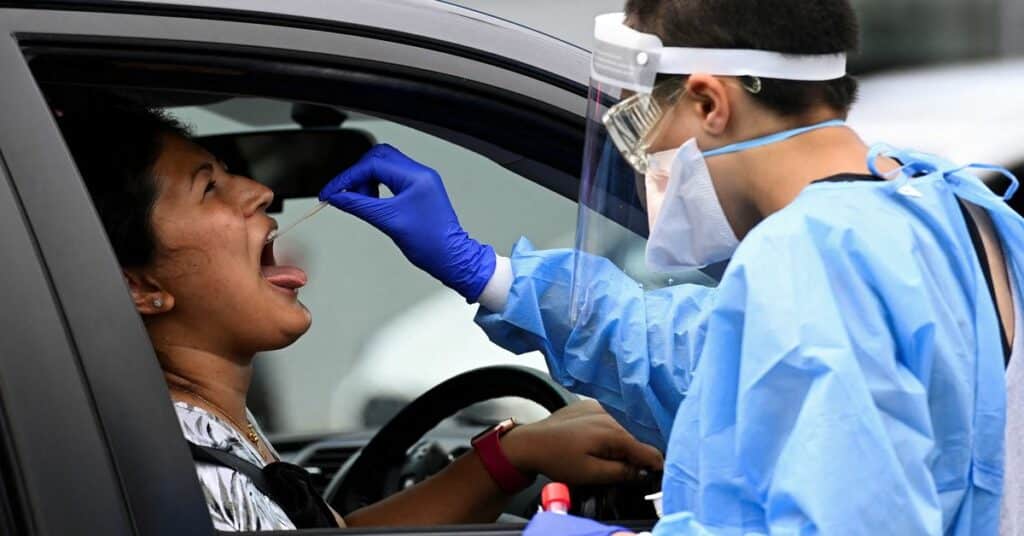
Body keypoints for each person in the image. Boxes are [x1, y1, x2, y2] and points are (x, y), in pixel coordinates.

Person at [317, 0, 1024, 534]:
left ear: (710, 102)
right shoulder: (949, 210)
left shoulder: (812, 257)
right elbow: (717, 366)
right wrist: (485, 271)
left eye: (639, 127)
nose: (645, 160)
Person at [54, 96, 663, 531]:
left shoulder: (202, 429)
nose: (260, 192)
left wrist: (512, 456)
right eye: (209, 187)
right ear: (139, 285)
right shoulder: (183, 471)